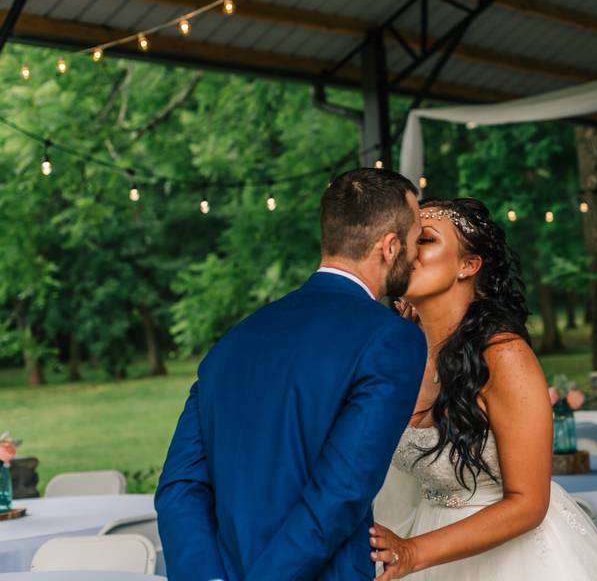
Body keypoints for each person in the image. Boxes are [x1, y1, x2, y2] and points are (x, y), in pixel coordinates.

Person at [155, 168, 428, 580]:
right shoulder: (391, 340)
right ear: (389, 247)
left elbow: (180, 488)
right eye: (416, 240)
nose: (417, 254)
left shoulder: (233, 342)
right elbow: (341, 493)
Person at [371, 198, 597, 580]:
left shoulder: (504, 357)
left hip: (512, 559)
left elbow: (528, 503)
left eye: (424, 240)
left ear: (468, 265)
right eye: (405, 240)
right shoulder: (403, 354)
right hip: (427, 540)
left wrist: (412, 552)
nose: (409, 252)